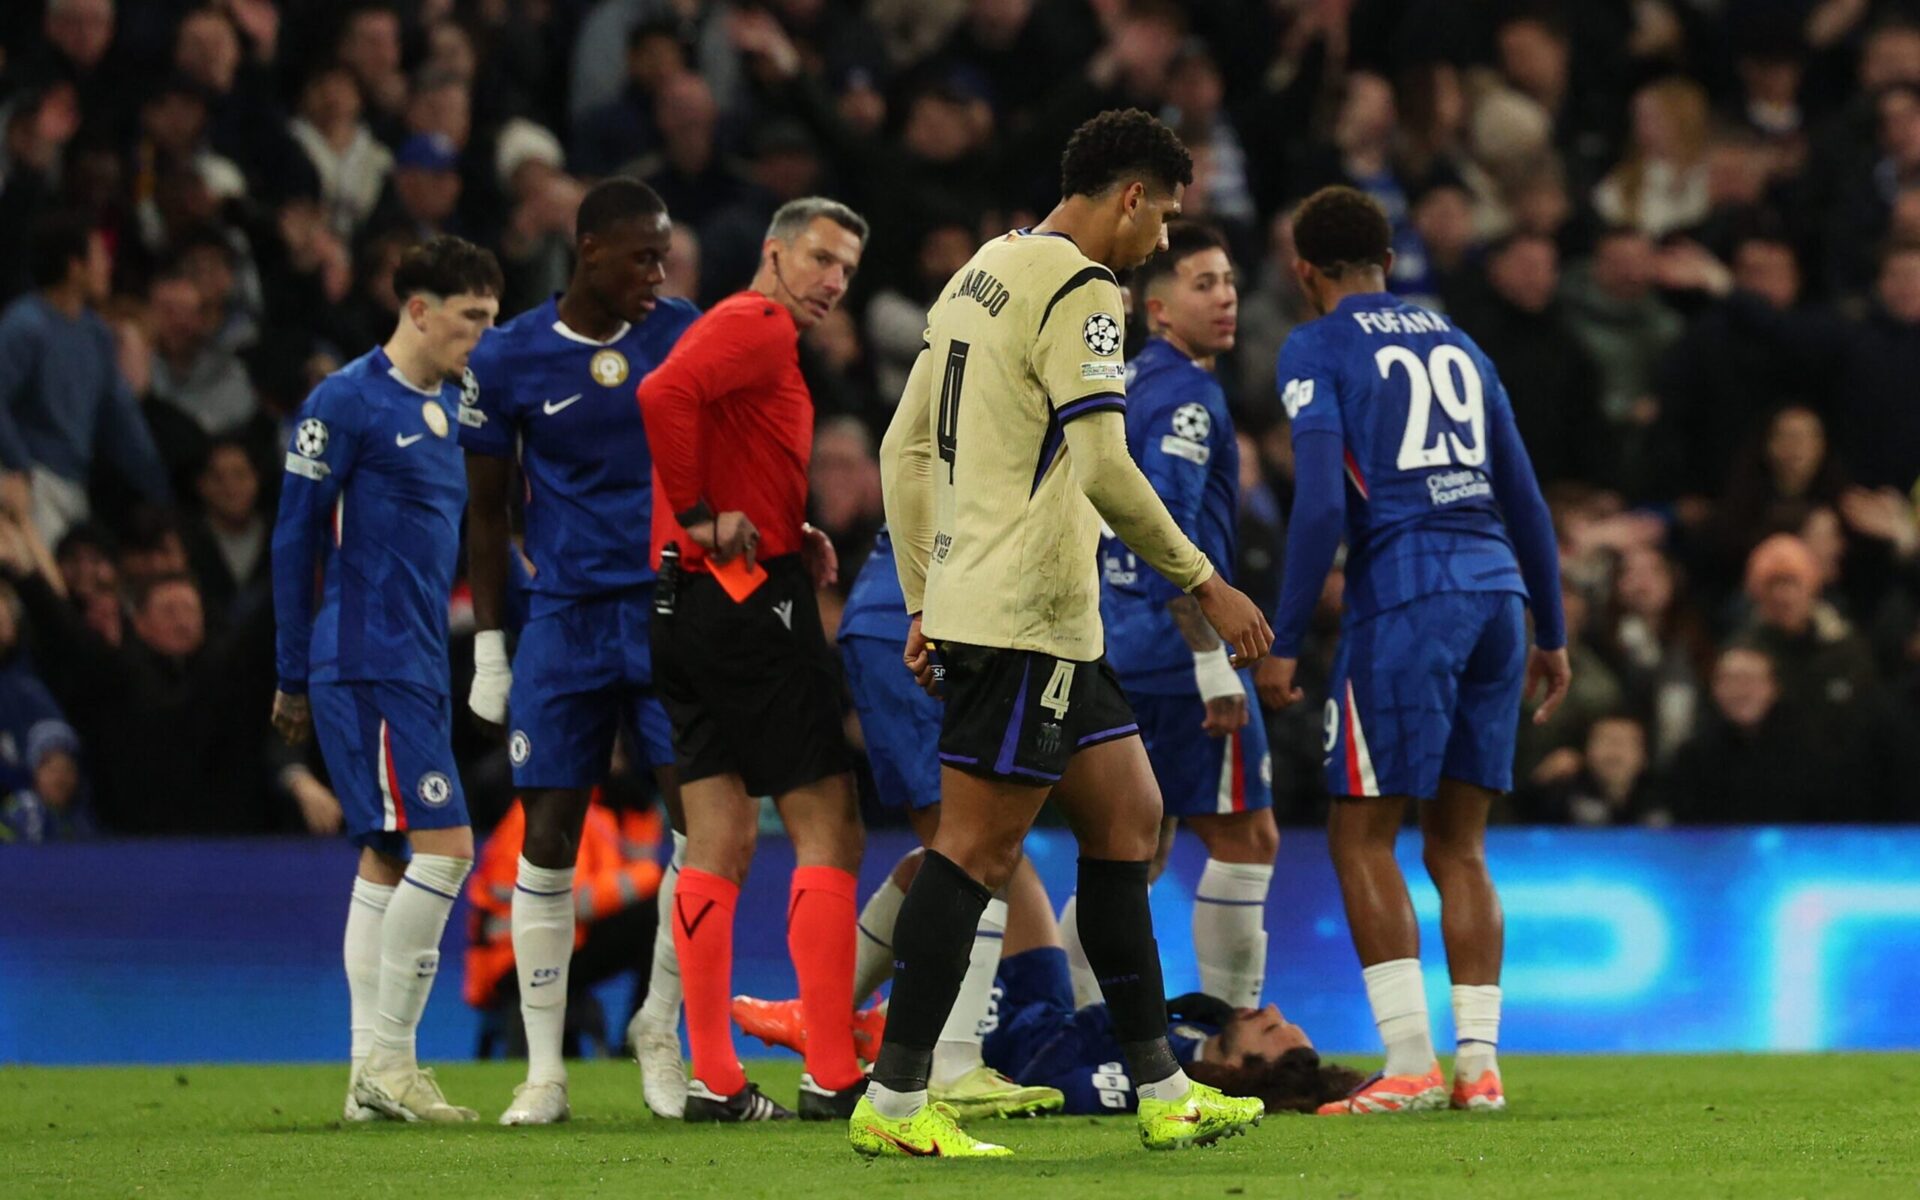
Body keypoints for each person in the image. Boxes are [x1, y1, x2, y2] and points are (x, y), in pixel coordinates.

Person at [863, 109, 1272, 1159]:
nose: (1163, 244)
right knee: (974, 849)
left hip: (1028, 615)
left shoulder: (985, 269)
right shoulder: (1087, 290)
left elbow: (904, 449)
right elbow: (1104, 468)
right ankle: (897, 1101)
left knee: (1129, 820)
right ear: (1129, 197)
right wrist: (1207, 583)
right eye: (1164, 217)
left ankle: (1160, 1089)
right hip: (1027, 617)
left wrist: (923, 595)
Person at [1259, 186, 1569, 1117]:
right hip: (1498, 595)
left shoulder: (1315, 346)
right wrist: (1550, 629)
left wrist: (1279, 638)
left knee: (1362, 830)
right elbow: (1525, 498)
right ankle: (1479, 1067)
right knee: (1460, 845)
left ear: (1303, 271)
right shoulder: (1463, 346)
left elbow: (1317, 505)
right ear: (1388, 261)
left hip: (1407, 596)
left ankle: (1407, 1062)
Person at [459, 178, 701, 1126]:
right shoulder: (508, 355)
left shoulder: (682, 331)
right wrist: (491, 648)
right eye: (642, 255)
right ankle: (545, 1071)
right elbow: (487, 514)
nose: (658, 273)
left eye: (666, 255)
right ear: (588, 249)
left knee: (699, 829)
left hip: (666, 612)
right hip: (562, 624)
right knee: (547, 840)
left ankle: (662, 1031)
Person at [637, 195, 868, 1123]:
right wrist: (702, 515)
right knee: (832, 825)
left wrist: (785, 526)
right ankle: (832, 1072)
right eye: (819, 257)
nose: (832, 281)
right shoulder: (758, 322)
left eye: (846, 270)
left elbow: (723, 435)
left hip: (684, 603)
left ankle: (715, 1080)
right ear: (772, 252)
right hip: (745, 604)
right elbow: (662, 395)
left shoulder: (750, 332)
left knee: (720, 837)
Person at [269, 235, 502, 1124]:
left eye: (489, 318)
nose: (479, 335)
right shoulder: (345, 403)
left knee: (387, 854)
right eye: (469, 317)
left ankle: (368, 1080)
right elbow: (294, 541)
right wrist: (292, 673)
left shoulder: (454, 402)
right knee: (449, 849)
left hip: (412, 662)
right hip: (364, 662)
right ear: (418, 309)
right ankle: (396, 1063)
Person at [737, 848, 1364, 1116]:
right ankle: (834, 1021)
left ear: (1248, 1065)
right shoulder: (1200, 1031)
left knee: (967, 869)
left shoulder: (1167, 1081)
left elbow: (1048, 1080)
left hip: (1011, 1038)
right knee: (983, 865)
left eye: (1274, 1028)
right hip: (1047, 1004)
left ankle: (868, 1034)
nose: (1271, 1008)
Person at [804, 526, 1067, 1120]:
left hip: (927, 616)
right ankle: (948, 1061)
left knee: (967, 846)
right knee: (973, 841)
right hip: (931, 624)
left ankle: (820, 1028)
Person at [1090, 220, 1277, 1011]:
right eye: (1204, 284)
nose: (1226, 296)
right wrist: (1211, 668)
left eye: (1229, 281)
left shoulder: (1127, 386)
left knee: (1133, 854)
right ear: (1157, 308)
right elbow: (1165, 530)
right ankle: (1235, 1031)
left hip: (1112, 639)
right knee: (1245, 840)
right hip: (1174, 650)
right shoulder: (1189, 398)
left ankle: (1083, 1022)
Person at [0, 213, 172, 545]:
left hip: (74, 483)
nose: (107, 265)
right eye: (100, 256)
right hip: (28, 480)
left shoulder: (95, 334)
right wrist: (19, 465)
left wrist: (158, 488)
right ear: (75, 265)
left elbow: (120, 416)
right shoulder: (24, 326)